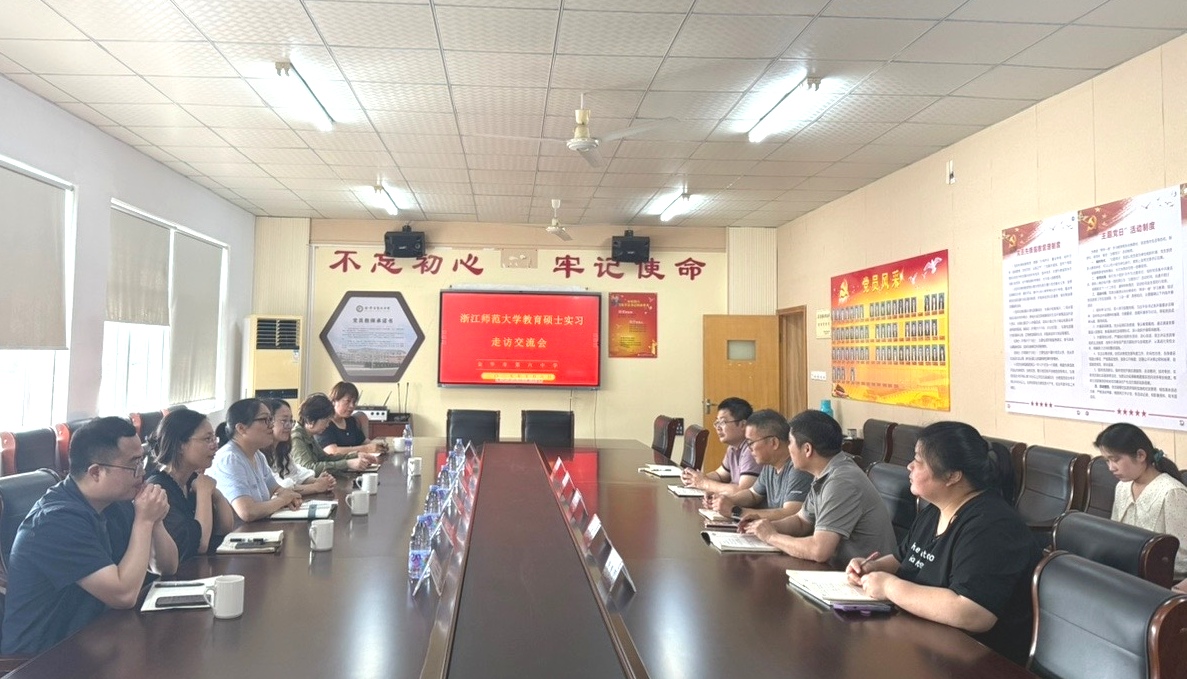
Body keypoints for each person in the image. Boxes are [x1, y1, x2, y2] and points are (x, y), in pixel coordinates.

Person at [846, 421, 1041, 665]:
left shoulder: (993, 527)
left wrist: (889, 587)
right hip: (923, 641)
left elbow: (972, 613)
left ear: (952, 476)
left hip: (975, 660)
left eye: (918, 461)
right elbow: (901, 558)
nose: (909, 466)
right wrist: (871, 568)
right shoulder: (935, 510)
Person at [1, 417, 178, 655]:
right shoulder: (55, 521)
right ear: (96, 472)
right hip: (43, 659)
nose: (142, 472)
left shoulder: (115, 502)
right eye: (133, 465)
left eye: (142, 460)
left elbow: (167, 567)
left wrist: (155, 521)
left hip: (96, 639)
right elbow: (123, 595)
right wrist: (144, 521)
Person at [741, 410, 896, 567]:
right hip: (839, 570)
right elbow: (802, 522)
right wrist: (764, 526)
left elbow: (819, 550)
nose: (788, 448)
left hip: (864, 574)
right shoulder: (825, 472)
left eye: (790, 442)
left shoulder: (841, 482)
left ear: (807, 449)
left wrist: (771, 537)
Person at [1095, 422, 1187, 580]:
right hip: (1127, 570)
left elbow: (1182, 558)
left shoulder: (1171, 492)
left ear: (1141, 455)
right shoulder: (1122, 487)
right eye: (1107, 461)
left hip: (1156, 578)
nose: (1111, 467)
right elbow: (1114, 534)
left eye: (1115, 459)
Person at [145, 409, 235, 560]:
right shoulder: (159, 489)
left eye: (214, 438)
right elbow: (200, 545)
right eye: (207, 439)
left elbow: (225, 529)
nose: (215, 445)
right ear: (180, 445)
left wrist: (217, 496)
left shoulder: (192, 480)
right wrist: (204, 493)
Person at [704, 409, 812, 522]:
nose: (749, 448)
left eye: (750, 443)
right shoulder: (770, 465)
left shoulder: (798, 467)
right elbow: (753, 494)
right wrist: (726, 499)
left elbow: (790, 513)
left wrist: (736, 511)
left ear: (774, 443)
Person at [207, 399, 303, 523]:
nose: (271, 425)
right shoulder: (230, 459)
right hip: (238, 531)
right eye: (265, 420)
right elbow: (247, 512)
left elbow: (277, 489)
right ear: (241, 428)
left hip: (258, 528)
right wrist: (283, 500)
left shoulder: (257, 455)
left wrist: (290, 497)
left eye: (271, 419)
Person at [681, 397, 760, 495]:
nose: (718, 428)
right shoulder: (732, 448)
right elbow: (720, 475)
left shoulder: (751, 450)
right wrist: (694, 478)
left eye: (722, 422)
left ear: (743, 425)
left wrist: (704, 483)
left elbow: (742, 491)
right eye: (717, 422)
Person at [291, 393, 381, 477]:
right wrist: (347, 464)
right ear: (310, 421)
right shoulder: (296, 438)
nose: (327, 425)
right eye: (325, 421)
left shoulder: (308, 434)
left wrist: (356, 455)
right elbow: (309, 468)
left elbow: (325, 458)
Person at [261, 398, 336, 495]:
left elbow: (296, 474)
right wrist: (316, 487)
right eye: (284, 420)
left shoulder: (281, 449)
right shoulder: (259, 454)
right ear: (269, 421)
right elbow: (278, 488)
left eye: (290, 420)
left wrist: (317, 481)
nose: (289, 426)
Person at [316, 381, 387, 457]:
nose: (352, 406)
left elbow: (364, 441)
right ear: (334, 401)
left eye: (354, 402)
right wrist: (366, 448)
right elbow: (332, 451)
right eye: (348, 401)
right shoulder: (325, 424)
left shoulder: (350, 421)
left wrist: (378, 446)